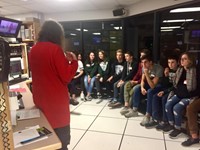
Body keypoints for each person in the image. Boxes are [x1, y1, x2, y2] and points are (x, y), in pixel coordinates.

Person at [29, 20, 78, 150]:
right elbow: (66, 76)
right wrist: (73, 62)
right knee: (61, 143)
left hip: (40, 101)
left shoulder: (33, 49)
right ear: (57, 34)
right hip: (56, 106)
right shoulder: (55, 49)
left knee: (45, 139)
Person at [165, 52, 199, 139]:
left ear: (190, 60)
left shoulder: (195, 71)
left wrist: (188, 94)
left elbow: (196, 88)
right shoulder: (180, 70)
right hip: (178, 94)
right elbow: (175, 84)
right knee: (168, 105)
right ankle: (171, 124)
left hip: (189, 96)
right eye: (181, 59)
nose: (182, 61)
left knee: (176, 108)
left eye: (185, 59)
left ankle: (177, 128)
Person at [125, 54, 163, 123]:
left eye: (145, 62)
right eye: (142, 62)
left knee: (150, 91)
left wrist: (146, 74)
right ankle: (134, 110)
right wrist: (142, 87)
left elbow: (153, 86)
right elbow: (142, 80)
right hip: (149, 84)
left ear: (150, 62)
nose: (143, 64)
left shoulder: (158, 68)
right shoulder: (144, 68)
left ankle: (148, 114)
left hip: (158, 86)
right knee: (137, 88)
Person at [144, 55, 178, 129]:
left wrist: (164, 91)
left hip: (174, 90)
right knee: (155, 96)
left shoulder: (179, 71)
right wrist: (165, 76)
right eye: (169, 62)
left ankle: (165, 120)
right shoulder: (167, 70)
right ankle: (155, 118)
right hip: (167, 88)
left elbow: (176, 86)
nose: (170, 64)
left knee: (164, 98)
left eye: (173, 62)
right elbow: (165, 83)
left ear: (177, 62)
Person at [120, 49, 150, 115]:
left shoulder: (148, 65)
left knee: (134, 89)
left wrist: (136, 82)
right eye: (140, 55)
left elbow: (144, 79)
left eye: (143, 55)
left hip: (145, 83)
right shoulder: (140, 64)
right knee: (127, 84)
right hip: (139, 81)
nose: (141, 57)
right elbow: (137, 74)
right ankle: (126, 105)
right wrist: (133, 80)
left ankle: (131, 107)